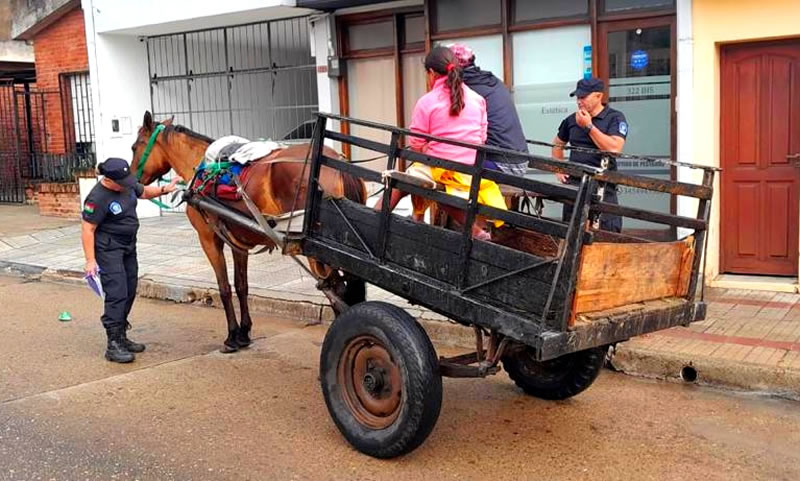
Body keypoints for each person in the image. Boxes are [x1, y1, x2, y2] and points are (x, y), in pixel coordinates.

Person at [374, 46, 506, 240]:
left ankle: (371, 219)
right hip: (469, 170)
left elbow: (417, 143)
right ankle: (464, 229)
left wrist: (432, 148)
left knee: (398, 182)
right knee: (422, 173)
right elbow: (481, 138)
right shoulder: (478, 100)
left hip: (441, 169)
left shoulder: (427, 102)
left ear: (431, 73)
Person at [81, 158, 183, 363]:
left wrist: (165, 189)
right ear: (109, 180)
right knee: (117, 292)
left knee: (129, 288)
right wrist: (90, 260)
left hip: (129, 246)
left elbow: (143, 191)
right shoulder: (97, 197)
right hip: (108, 249)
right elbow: (87, 229)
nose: (127, 184)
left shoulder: (125, 184)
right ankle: (113, 344)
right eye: (123, 182)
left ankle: (121, 335)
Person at [552, 77, 628, 232]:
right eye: (578, 97)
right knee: (571, 236)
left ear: (598, 96)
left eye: (583, 97)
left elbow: (614, 149)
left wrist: (588, 126)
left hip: (603, 188)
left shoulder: (615, 117)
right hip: (575, 187)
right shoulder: (571, 120)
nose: (579, 101)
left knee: (606, 236)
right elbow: (557, 144)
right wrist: (559, 169)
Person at [449, 43, 529, 176]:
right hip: (519, 160)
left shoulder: (465, 90)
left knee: (443, 162)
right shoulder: (491, 80)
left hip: (500, 163)